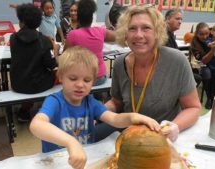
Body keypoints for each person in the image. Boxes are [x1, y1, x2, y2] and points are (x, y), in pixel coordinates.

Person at [29, 46, 161, 169]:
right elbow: (36, 125)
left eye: (87, 80)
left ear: (93, 82)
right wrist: (71, 142)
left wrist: (133, 117)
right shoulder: (55, 101)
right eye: (73, 78)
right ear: (60, 77)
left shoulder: (90, 102)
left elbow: (114, 119)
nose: (80, 85)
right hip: (56, 161)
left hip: (85, 158)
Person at [96, 4, 201, 142]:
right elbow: (117, 102)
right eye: (132, 28)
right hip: (129, 132)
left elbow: (193, 107)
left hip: (162, 136)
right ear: (125, 34)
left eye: (146, 28)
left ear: (157, 32)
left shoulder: (176, 61)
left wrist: (176, 126)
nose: (139, 35)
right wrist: (97, 112)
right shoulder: (119, 63)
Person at [9, 3, 58, 122]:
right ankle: (47, 109)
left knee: (29, 73)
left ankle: (24, 110)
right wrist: (54, 50)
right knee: (59, 76)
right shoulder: (44, 41)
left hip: (17, 84)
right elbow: (51, 65)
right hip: (38, 85)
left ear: (22, 22)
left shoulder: (13, 38)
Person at [64, 0, 116, 86]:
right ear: (92, 17)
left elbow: (64, 57)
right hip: (100, 77)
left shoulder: (73, 34)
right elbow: (118, 36)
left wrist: (56, 48)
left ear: (78, 17)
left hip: (83, 79)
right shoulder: (101, 31)